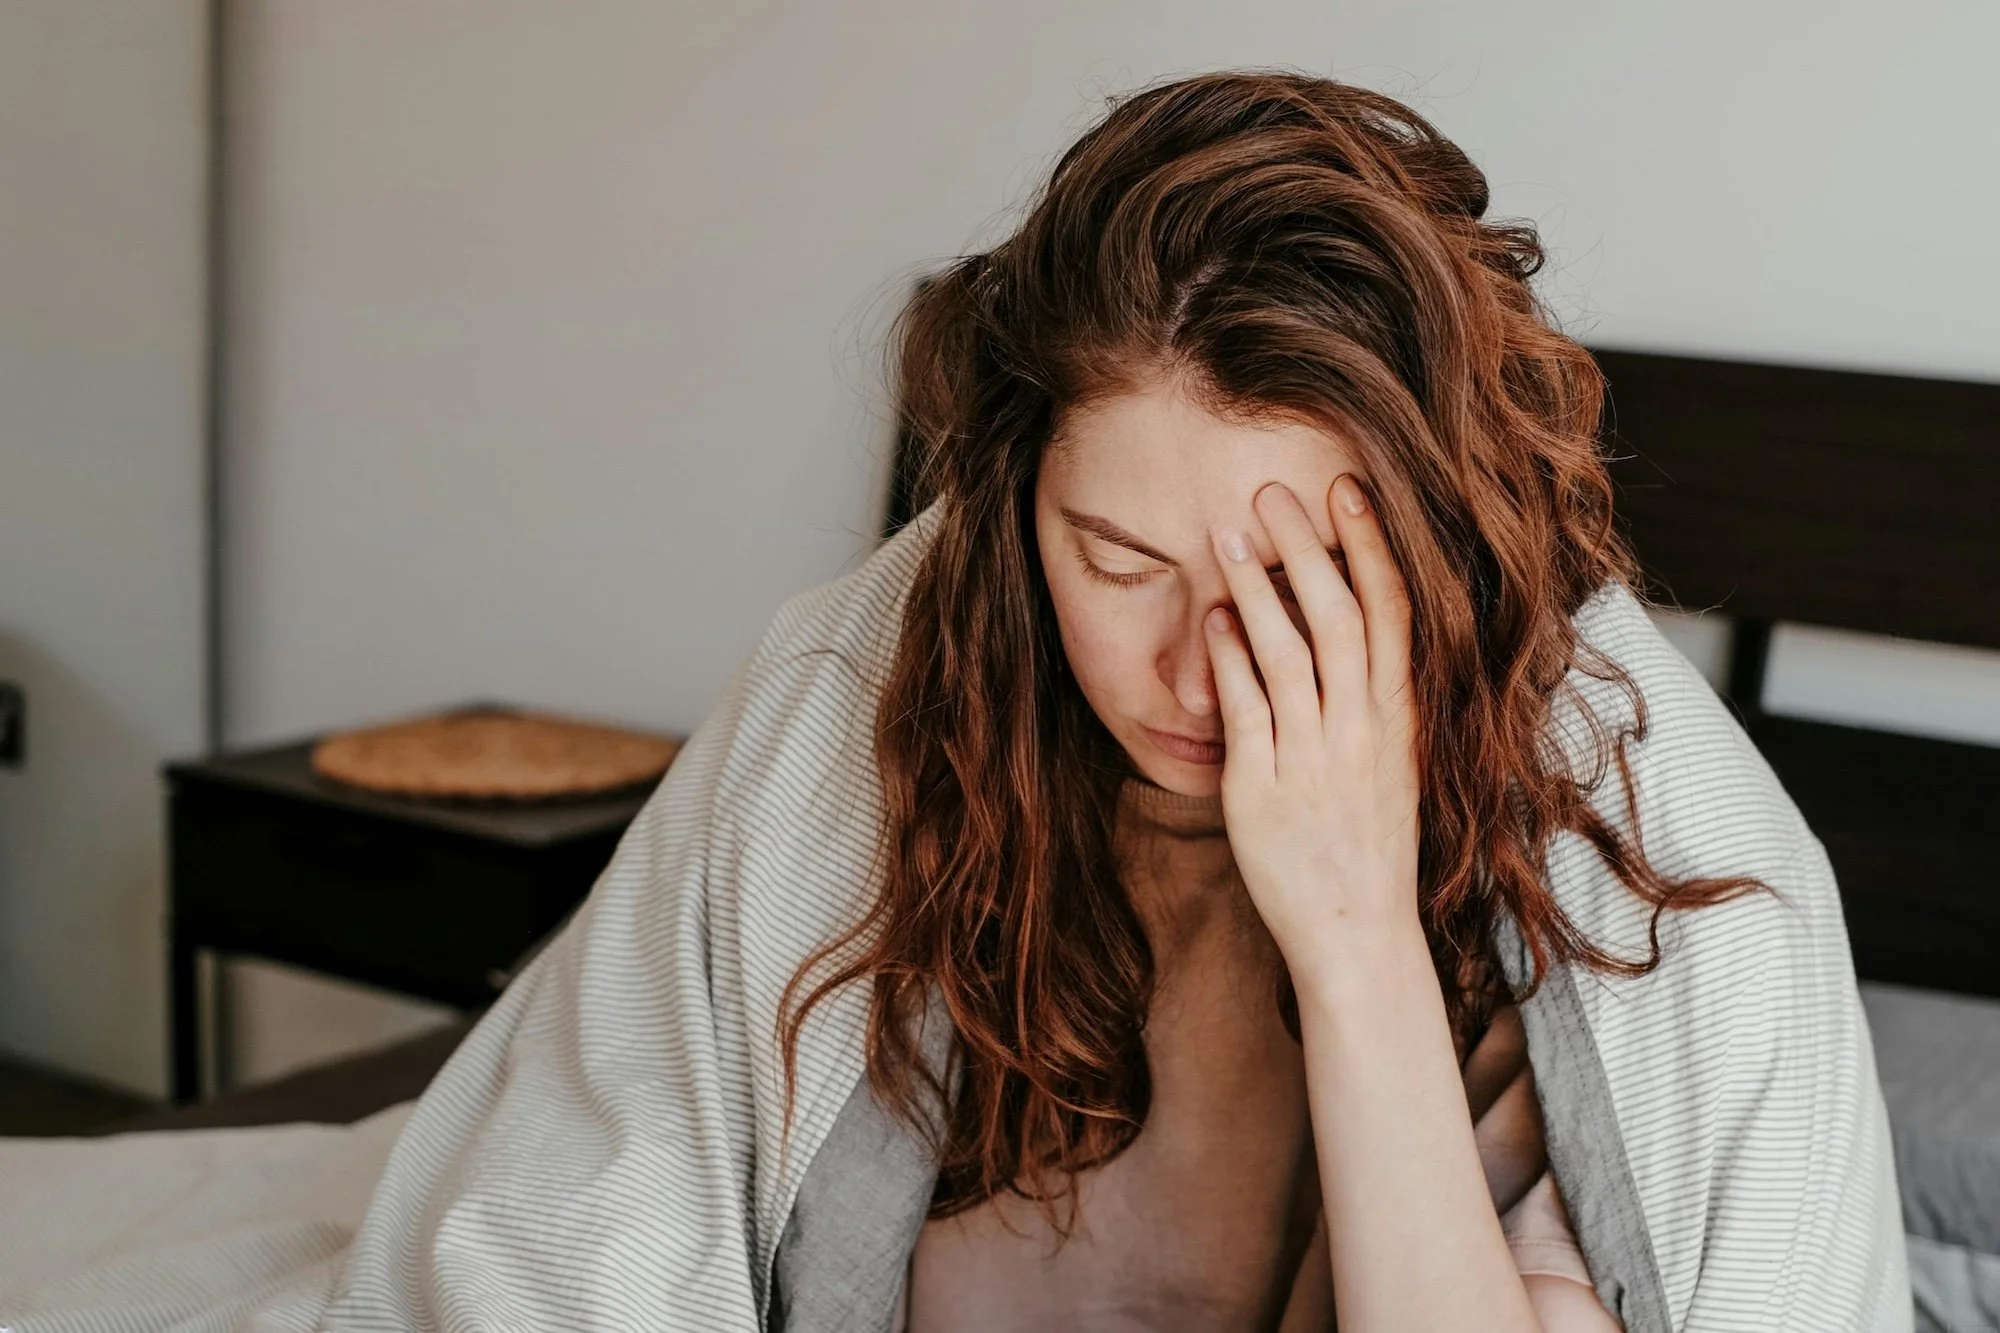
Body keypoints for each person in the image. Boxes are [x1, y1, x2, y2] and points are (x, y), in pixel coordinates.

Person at [0, 69, 1909, 1333]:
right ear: (1016, 512)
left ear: (1429, 533)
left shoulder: (1658, 847)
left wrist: (1346, 933)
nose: (1188, 673)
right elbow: (597, 1193)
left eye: (1286, 581)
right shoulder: (878, 676)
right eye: (1118, 559)